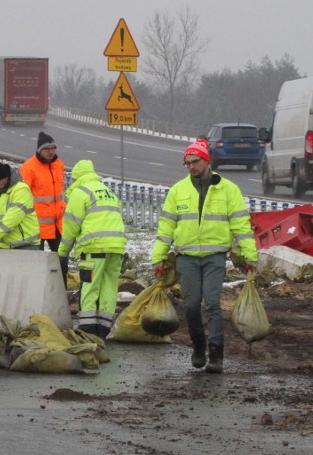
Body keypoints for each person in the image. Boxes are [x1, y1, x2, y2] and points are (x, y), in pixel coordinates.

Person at [151, 139, 257, 374]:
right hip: (186, 257)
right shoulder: (178, 190)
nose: (191, 167)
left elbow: (241, 223)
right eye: (187, 163)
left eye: (195, 162)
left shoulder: (228, 189)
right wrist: (158, 258)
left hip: (214, 256)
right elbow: (166, 226)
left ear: (206, 161)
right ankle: (198, 345)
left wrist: (250, 255)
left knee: (212, 304)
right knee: (190, 305)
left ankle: (216, 352)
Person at [57, 160, 126, 339]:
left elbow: (71, 226)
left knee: (89, 286)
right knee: (109, 287)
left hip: (93, 249)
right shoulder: (108, 192)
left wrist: (63, 252)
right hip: (116, 248)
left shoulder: (81, 193)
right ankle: (103, 329)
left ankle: (87, 330)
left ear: (76, 178)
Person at [20, 131, 67, 252]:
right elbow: (22, 194)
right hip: (37, 225)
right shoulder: (29, 167)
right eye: (47, 149)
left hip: (58, 224)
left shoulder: (59, 165)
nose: (51, 151)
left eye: (53, 148)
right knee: (38, 262)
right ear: (39, 150)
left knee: (61, 260)